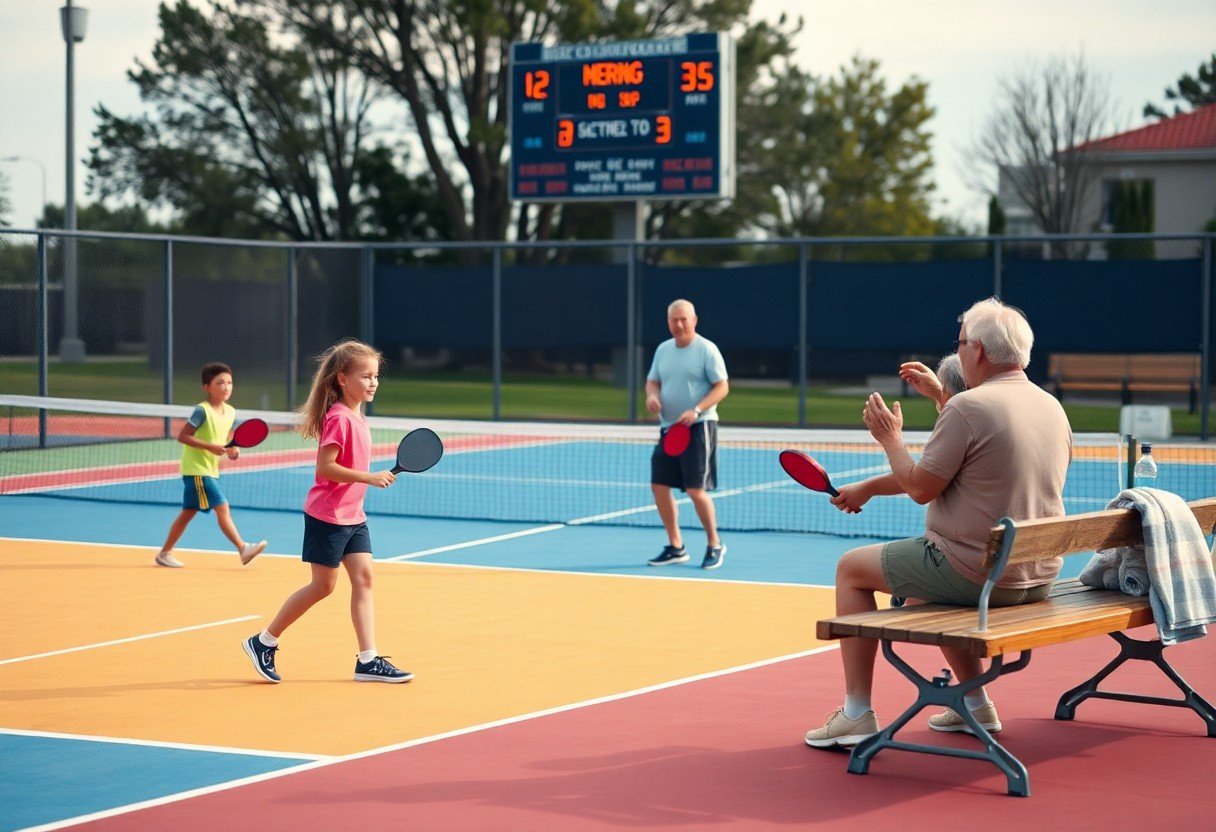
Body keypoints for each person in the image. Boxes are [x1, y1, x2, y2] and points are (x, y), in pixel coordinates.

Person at [804, 298, 1072, 748]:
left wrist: (890, 438)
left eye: (961, 341)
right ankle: (975, 705)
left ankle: (855, 713)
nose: (958, 350)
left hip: (978, 574)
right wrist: (942, 402)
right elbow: (962, 463)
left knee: (851, 567)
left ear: (979, 352)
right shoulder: (1050, 407)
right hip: (1038, 575)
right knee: (927, 585)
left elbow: (922, 487)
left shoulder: (969, 409)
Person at [242, 339, 410, 684]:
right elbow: (325, 468)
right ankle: (263, 641)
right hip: (328, 516)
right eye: (365, 376)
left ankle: (368, 659)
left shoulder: (359, 418)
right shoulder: (338, 419)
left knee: (364, 579)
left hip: (354, 516)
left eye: (376, 376)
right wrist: (368, 477)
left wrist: (366, 481)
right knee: (323, 587)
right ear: (341, 379)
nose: (373, 382)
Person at [644, 299, 730, 570]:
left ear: (694, 320)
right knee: (659, 486)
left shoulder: (706, 349)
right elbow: (653, 380)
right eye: (674, 320)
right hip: (668, 428)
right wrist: (651, 396)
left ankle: (714, 544)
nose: (679, 324)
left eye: (684, 319)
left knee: (695, 489)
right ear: (668, 322)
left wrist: (696, 409)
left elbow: (722, 387)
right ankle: (676, 546)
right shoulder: (663, 350)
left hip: (699, 427)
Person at [155, 362, 267, 568]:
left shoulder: (231, 412)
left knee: (188, 512)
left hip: (211, 469)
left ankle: (164, 553)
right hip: (196, 470)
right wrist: (210, 447)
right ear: (207, 387)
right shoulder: (202, 411)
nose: (226, 387)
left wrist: (232, 450)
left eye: (229, 382)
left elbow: (224, 441)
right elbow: (183, 436)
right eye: (220, 383)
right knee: (222, 506)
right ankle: (243, 548)